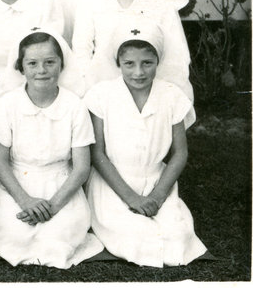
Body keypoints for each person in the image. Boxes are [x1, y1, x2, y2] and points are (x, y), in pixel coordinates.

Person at [0, 29, 102, 268]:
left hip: (62, 186)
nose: (41, 70)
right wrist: (24, 201)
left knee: (58, 237)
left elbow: (81, 168)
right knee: (15, 235)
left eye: (49, 62)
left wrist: (53, 206)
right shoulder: (7, 104)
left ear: (61, 65)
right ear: (21, 68)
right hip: (16, 184)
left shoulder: (74, 106)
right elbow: (0, 162)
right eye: (32, 63)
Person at [85, 23, 205, 267]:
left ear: (158, 61)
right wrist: (131, 198)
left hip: (156, 180)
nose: (138, 72)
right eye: (129, 63)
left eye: (147, 63)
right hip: (112, 182)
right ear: (118, 62)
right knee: (136, 235)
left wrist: (159, 195)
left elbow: (180, 153)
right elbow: (97, 154)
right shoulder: (101, 95)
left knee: (177, 236)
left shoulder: (172, 95)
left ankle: (164, 215)